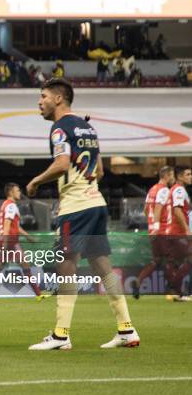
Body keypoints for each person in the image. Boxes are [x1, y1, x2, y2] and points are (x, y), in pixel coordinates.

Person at [26, 78, 139, 350]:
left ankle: (61, 335)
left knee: (66, 265)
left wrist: (36, 181)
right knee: (103, 267)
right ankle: (126, 329)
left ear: (58, 99)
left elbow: (62, 163)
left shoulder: (59, 127)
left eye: (43, 96)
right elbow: (99, 171)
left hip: (75, 207)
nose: (39, 102)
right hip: (96, 202)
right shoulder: (88, 127)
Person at [0, 183, 50, 304]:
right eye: (17, 190)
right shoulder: (11, 206)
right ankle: (38, 294)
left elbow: (16, 226)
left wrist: (28, 237)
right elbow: (7, 224)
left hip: (9, 239)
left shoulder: (7, 205)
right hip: (10, 240)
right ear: (11, 192)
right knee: (19, 266)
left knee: (3, 266)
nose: (20, 193)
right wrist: (7, 242)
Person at [133, 166, 174, 299]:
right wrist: (156, 227)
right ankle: (173, 289)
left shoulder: (152, 189)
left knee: (157, 260)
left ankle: (138, 282)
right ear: (166, 176)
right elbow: (157, 209)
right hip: (162, 230)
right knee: (170, 259)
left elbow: (146, 209)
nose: (172, 178)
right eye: (172, 175)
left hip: (154, 229)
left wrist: (151, 225)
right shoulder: (163, 190)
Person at [164, 166, 191, 301]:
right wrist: (186, 229)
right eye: (188, 174)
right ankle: (175, 288)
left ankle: (176, 292)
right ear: (180, 177)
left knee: (175, 262)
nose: (190, 176)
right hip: (177, 231)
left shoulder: (174, 189)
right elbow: (177, 210)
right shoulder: (179, 190)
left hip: (172, 231)